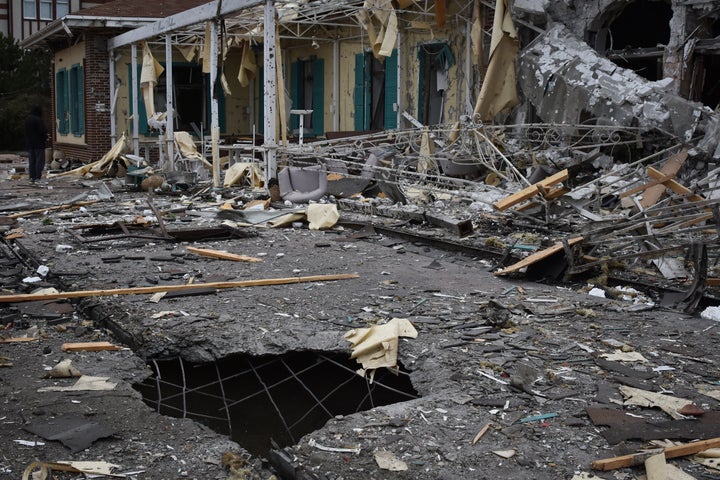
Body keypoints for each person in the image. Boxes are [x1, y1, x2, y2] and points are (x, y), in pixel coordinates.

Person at [25, 105, 48, 184]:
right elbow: (42, 131)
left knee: (32, 161)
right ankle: (38, 176)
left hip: (30, 144)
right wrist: (46, 137)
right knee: (39, 161)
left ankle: (32, 176)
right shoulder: (38, 120)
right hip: (39, 144)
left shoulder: (28, 119)